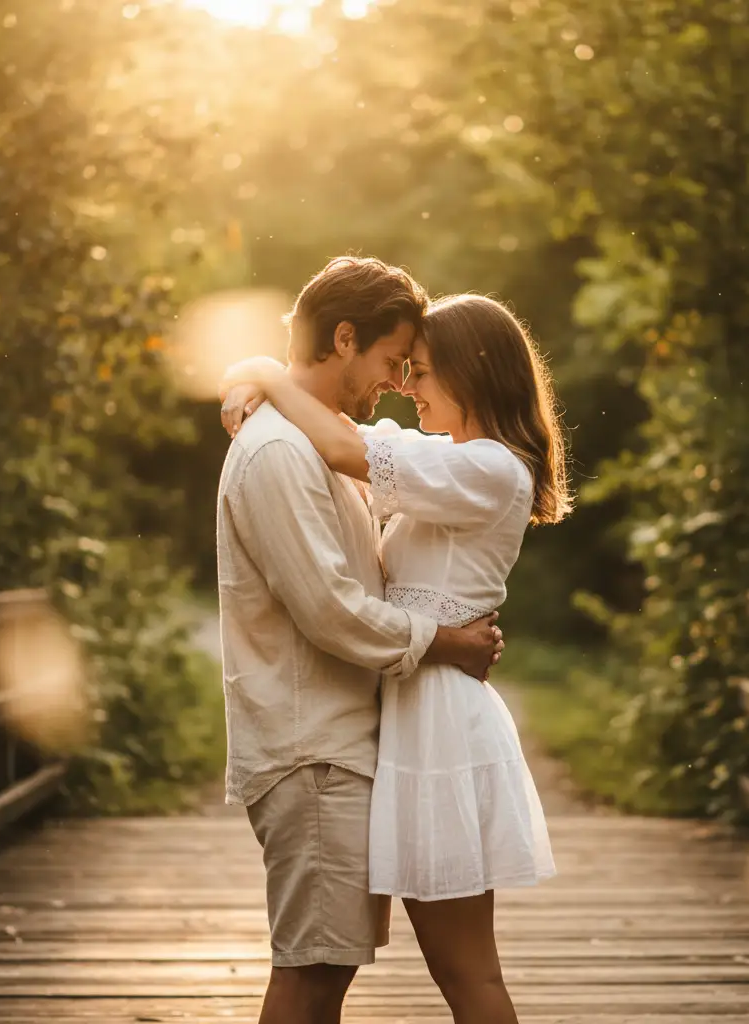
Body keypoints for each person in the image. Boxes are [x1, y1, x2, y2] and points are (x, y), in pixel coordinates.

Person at [220, 290, 571, 1024]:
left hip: (439, 726)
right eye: (403, 367)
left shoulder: (489, 470)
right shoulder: (444, 458)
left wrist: (266, 372)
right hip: (404, 723)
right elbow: (346, 434)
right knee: (353, 966)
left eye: (423, 371)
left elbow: (347, 447)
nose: (408, 387)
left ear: (473, 374)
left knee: (467, 975)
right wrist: (258, 375)